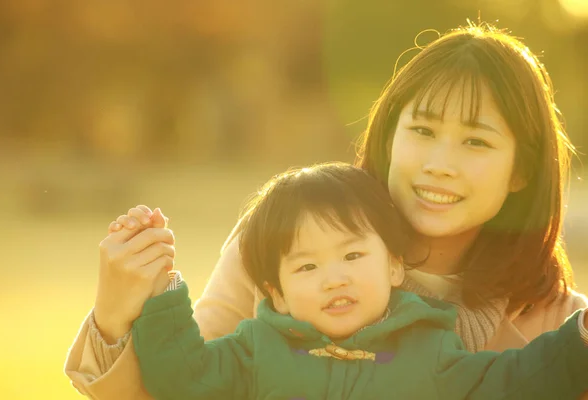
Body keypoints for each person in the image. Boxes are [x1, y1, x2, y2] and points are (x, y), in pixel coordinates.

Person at [65, 22, 588, 399]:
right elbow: (183, 383)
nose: (439, 165)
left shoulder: (558, 323)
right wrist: (116, 314)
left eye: (475, 142)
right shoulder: (290, 239)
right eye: (423, 131)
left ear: (522, 169)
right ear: (388, 133)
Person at [134, 163, 588, 400]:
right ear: (277, 293)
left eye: (352, 255)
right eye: (306, 267)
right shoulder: (255, 349)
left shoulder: (431, 351)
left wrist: (580, 340)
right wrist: (162, 286)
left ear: (394, 267)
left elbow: (517, 383)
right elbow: (181, 376)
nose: (335, 278)